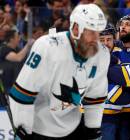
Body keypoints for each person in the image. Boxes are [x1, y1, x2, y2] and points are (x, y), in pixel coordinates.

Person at [9, 3, 110, 140]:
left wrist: (93, 130)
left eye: (98, 32)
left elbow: (95, 99)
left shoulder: (102, 54)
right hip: (39, 129)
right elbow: (22, 94)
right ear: (76, 29)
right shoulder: (47, 47)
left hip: (72, 127)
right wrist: (23, 130)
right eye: (91, 32)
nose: (96, 39)